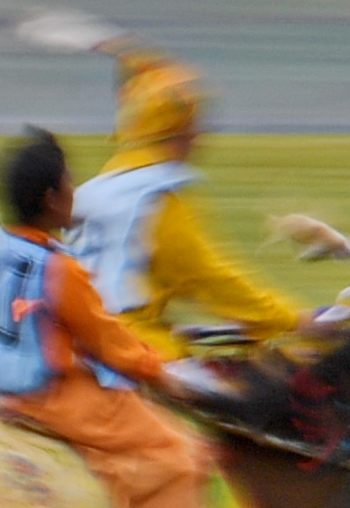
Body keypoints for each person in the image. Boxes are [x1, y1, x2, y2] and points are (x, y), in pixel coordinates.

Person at [0, 126, 229, 508]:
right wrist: (166, 373)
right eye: (69, 182)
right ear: (50, 199)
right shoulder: (61, 269)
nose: (75, 190)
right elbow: (112, 345)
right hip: (54, 394)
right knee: (179, 454)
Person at [35, 26, 306, 347]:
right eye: (195, 125)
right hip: (125, 346)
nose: (201, 136)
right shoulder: (157, 196)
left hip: (71, 338)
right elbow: (205, 277)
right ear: (181, 131)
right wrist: (289, 319)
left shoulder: (101, 187)